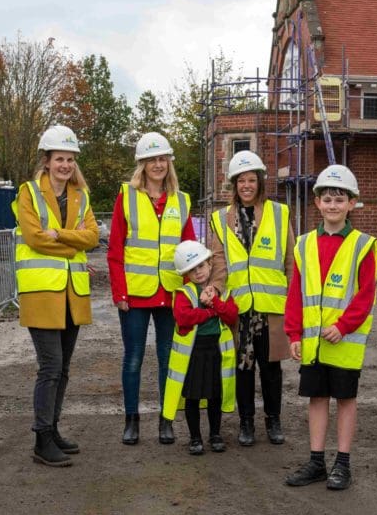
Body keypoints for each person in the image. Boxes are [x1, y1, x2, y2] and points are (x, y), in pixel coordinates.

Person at [284, 165, 377, 491]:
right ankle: (316, 462)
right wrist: (293, 333)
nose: (333, 205)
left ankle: (342, 463)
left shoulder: (365, 244)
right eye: (327, 199)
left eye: (340, 199)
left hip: (344, 341)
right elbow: (295, 292)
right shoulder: (303, 245)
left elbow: (366, 295)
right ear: (317, 203)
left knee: (346, 400)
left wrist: (342, 325)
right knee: (317, 398)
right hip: (313, 342)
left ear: (352, 203)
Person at [13, 126, 99, 467]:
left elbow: (92, 237)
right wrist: (71, 243)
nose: (65, 164)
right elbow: (35, 238)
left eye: (70, 159)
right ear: (46, 161)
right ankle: (41, 438)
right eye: (59, 158)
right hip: (42, 292)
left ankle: (53, 428)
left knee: (63, 369)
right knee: (50, 366)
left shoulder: (81, 195)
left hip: (71, 294)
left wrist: (61, 234)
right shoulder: (29, 193)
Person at [107, 131, 195, 445]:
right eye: (151, 160)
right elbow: (115, 250)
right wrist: (119, 293)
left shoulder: (181, 200)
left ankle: (166, 420)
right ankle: (131, 421)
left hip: (171, 295)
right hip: (135, 294)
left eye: (162, 159)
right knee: (133, 358)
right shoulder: (127, 196)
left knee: (169, 359)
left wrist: (190, 294)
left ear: (168, 162)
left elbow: (190, 252)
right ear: (142, 164)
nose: (157, 165)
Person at [208, 150, 294, 447]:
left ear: (260, 181)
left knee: (271, 369)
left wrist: (294, 301)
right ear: (234, 184)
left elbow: (290, 261)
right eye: (241, 180)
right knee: (243, 369)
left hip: (271, 306)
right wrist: (215, 290)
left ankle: (273, 420)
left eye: (251, 179)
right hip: (240, 307)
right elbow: (219, 262)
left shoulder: (279, 213)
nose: (246, 185)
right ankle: (246, 423)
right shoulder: (220, 219)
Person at [162, 241, 238, 455]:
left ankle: (215, 434)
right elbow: (184, 317)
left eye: (201, 266)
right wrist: (210, 313)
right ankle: (195, 437)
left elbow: (232, 315)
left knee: (215, 395)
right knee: (193, 397)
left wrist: (215, 303)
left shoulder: (222, 292)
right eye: (192, 269)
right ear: (185, 273)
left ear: (209, 264)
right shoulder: (183, 293)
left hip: (216, 351)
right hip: (193, 354)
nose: (198, 272)